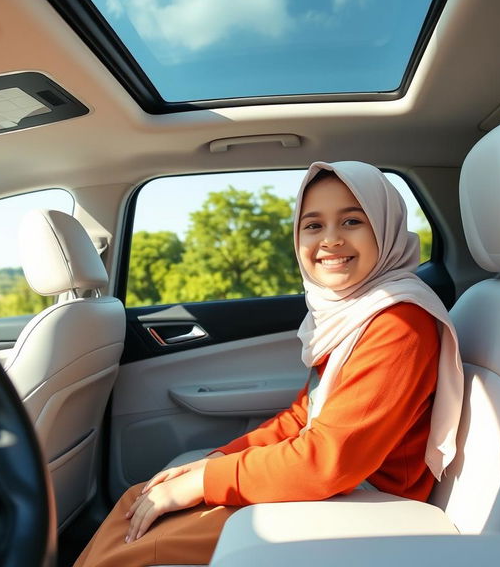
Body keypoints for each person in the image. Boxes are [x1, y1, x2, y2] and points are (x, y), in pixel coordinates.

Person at [74, 160, 464, 567]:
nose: (329, 240)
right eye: (312, 226)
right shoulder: (354, 311)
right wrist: (219, 459)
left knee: (137, 544)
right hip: (339, 485)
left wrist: (205, 482)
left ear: (385, 226)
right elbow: (304, 415)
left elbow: (330, 460)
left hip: (367, 502)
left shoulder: (398, 320)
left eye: (352, 221)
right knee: (138, 500)